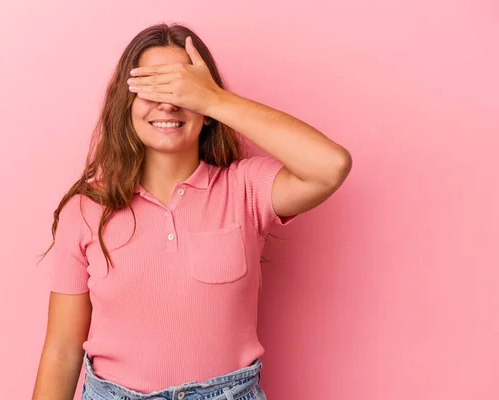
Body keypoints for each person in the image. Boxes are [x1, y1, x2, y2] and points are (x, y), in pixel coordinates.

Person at [32, 22, 352, 400]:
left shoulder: (244, 189)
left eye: (182, 89)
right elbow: (62, 351)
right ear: (126, 103)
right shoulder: (86, 210)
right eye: (152, 87)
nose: (168, 103)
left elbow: (330, 166)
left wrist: (214, 99)